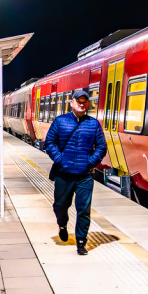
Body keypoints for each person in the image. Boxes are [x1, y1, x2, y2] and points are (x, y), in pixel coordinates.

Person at [44, 88, 106, 255]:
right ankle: (62, 224)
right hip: (64, 174)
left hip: (84, 176)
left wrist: (90, 162)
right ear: (71, 103)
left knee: (83, 209)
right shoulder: (60, 121)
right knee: (60, 206)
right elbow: (49, 143)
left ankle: (81, 242)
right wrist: (60, 159)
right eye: (78, 101)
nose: (81, 104)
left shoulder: (93, 124)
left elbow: (102, 147)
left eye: (85, 101)